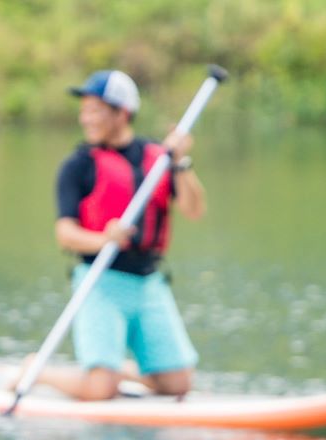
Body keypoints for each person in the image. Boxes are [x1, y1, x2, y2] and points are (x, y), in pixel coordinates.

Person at [41, 69, 207, 401]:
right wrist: (104, 239)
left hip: (148, 283)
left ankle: (120, 373)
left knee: (179, 386)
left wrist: (181, 162)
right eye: (84, 110)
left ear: (122, 113)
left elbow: (194, 209)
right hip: (101, 281)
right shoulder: (78, 165)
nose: (86, 118)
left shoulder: (159, 159)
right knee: (100, 390)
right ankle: (39, 370)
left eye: (95, 110)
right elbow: (65, 234)